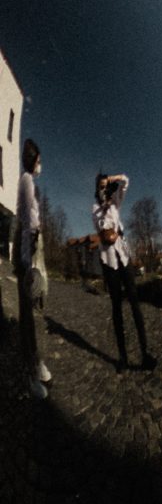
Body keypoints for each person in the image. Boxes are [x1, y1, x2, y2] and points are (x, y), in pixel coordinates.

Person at [91, 171, 152, 370]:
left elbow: (126, 180)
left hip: (124, 258)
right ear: (96, 190)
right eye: (100, 186)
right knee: (116, 307)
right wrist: (106, 209)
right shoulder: (95, 208)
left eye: (105, 186)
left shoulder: (116, 202)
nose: (104, 190)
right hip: (109, 263)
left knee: (135, 303)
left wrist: (112, 181)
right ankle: (123, 358)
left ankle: (145, 354)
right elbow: (106, 234)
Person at [13, 140, 50, 398]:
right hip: (28, 252)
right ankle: (30, 372)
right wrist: (27, 264)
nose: (41, 166)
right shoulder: (26, 181)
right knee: (28, 317)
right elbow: (27, 224)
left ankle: (36, 363)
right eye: (39, 161)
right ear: (33, 160)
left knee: (34, 311)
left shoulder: (29, 182)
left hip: (32, 250)